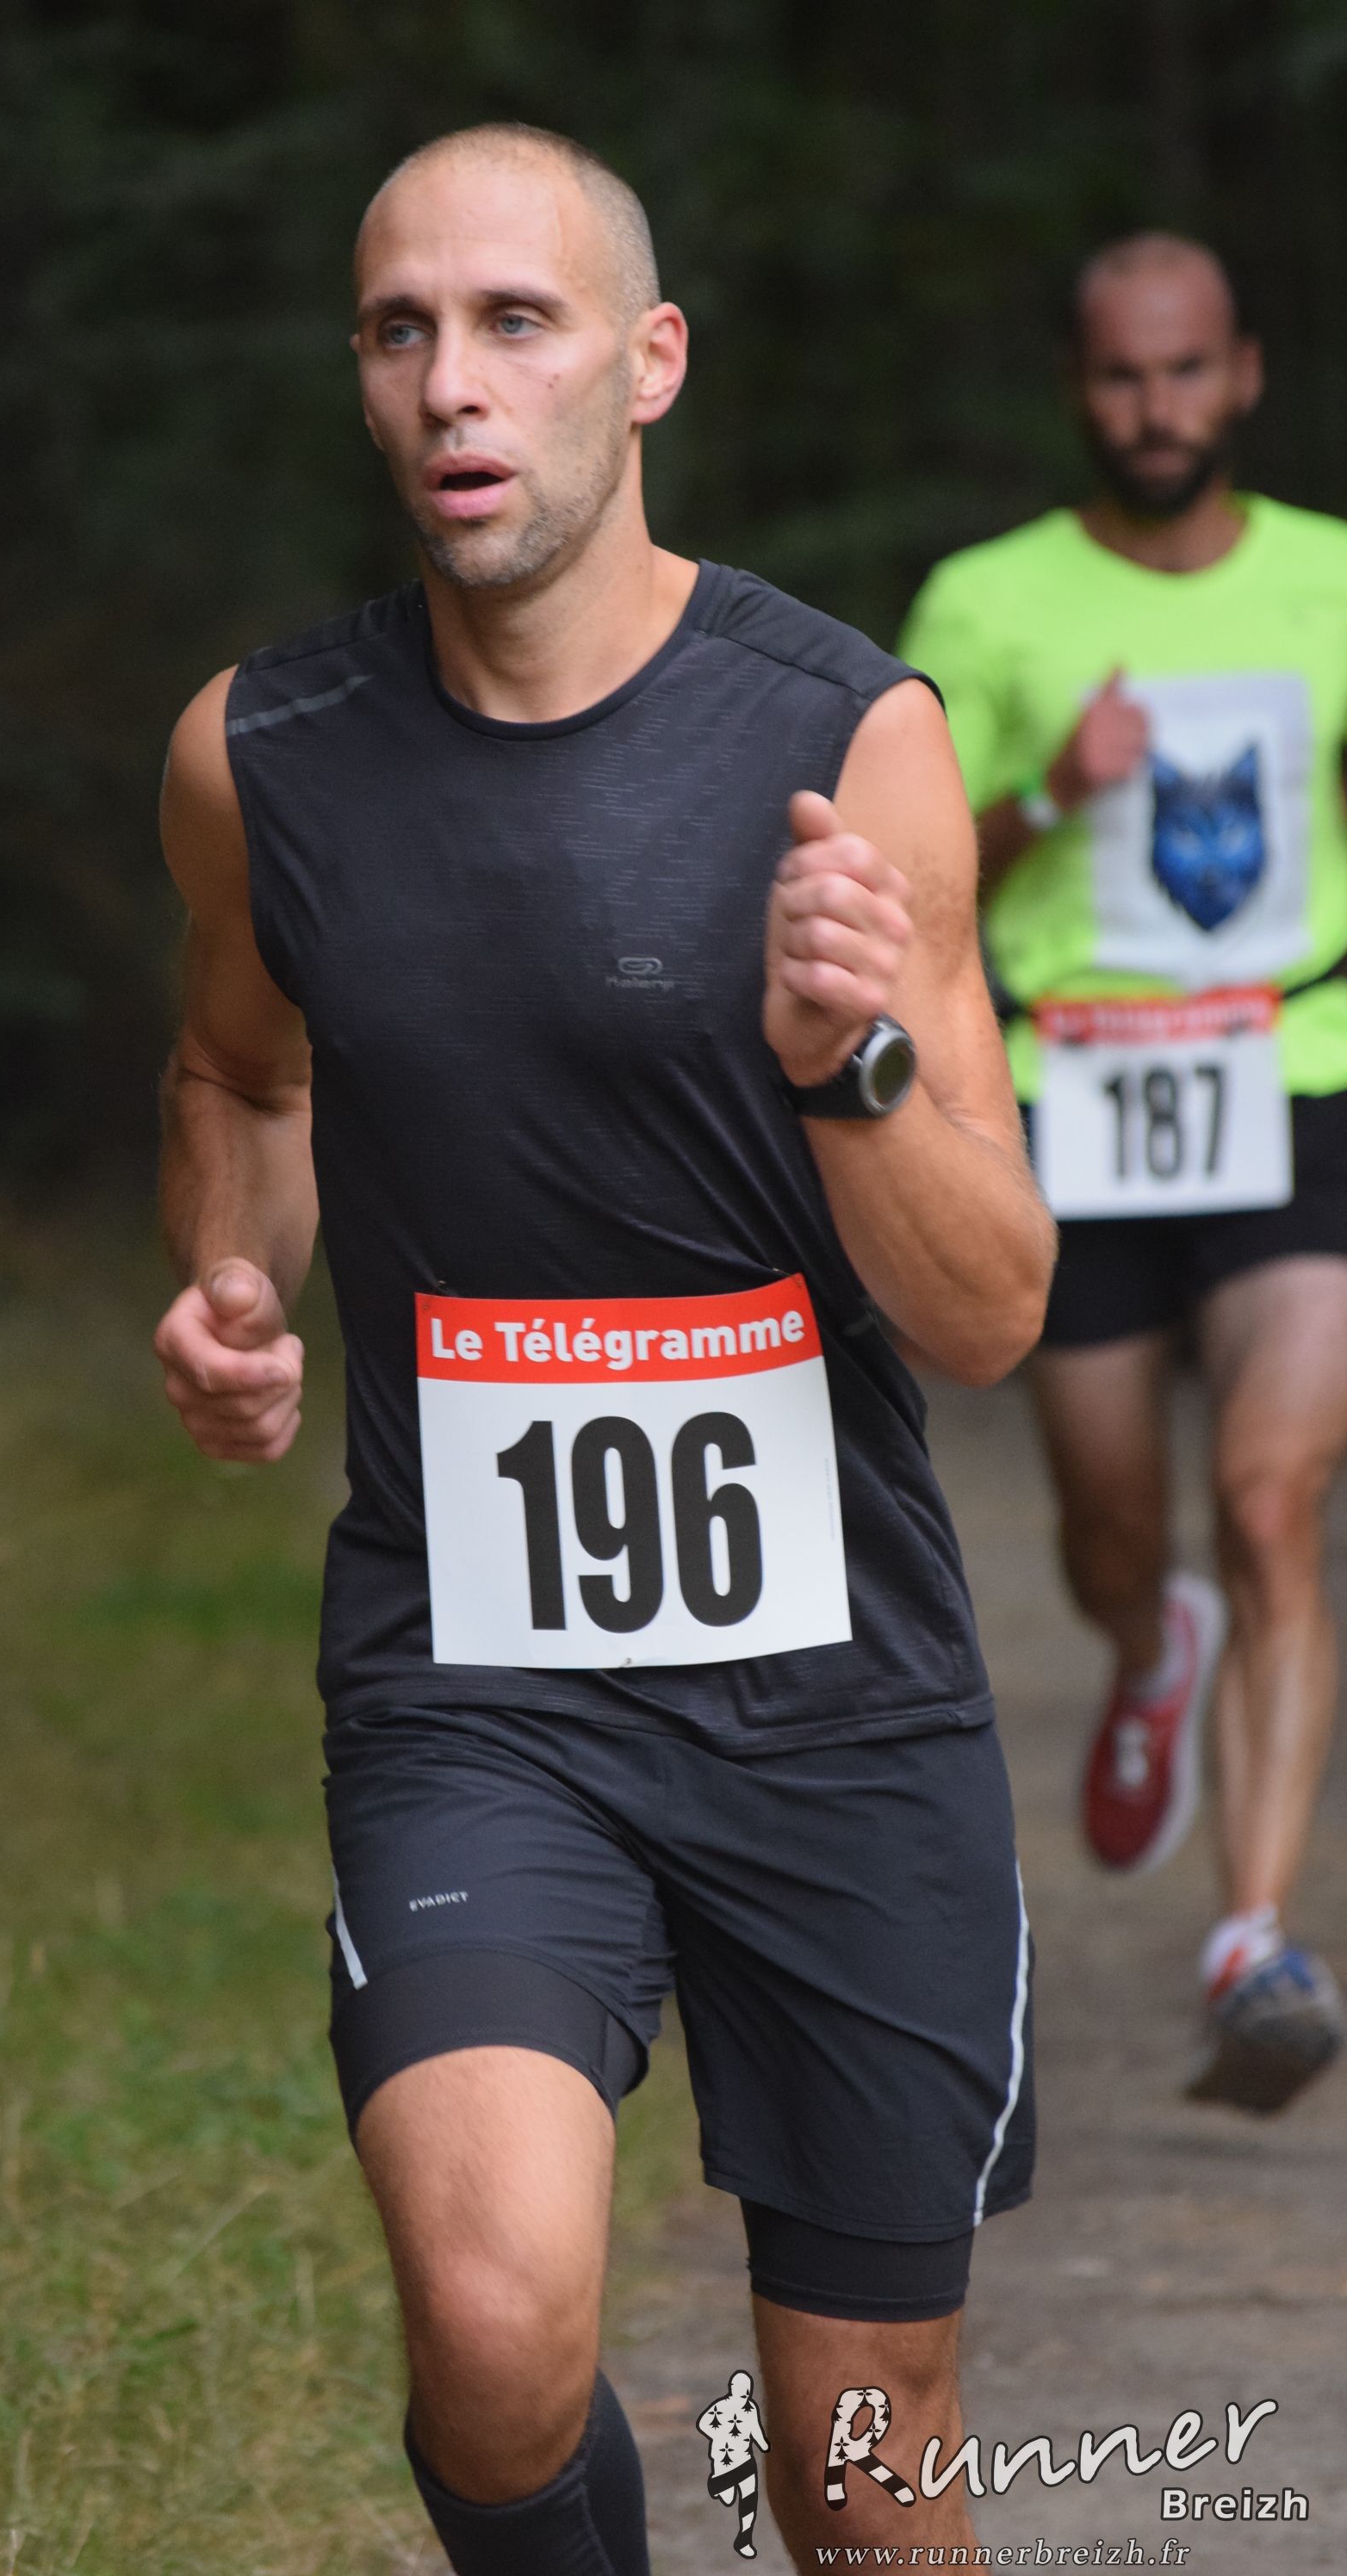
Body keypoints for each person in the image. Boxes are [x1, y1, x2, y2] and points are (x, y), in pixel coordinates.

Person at [155, 122, 1053, 2574]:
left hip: (836, 1700)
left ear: (647, 365)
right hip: (478, 1682)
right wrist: (233, 1280)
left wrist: (847, 1067)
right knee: (490, 2317)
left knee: (862, 2470)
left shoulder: (840, 737)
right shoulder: (264, 753)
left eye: (513, 323)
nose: (451, 382)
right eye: (399, 330)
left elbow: (988, 1308)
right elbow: (243, 1074)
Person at [901, 232, 1347, 2115]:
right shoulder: (987, 600)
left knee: (1271, 1500)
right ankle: (1144, 1635)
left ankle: (1252, 1939)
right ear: (1077, 391)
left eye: (1184, 370)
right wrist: (1051, 790)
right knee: (1116, 1531)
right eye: (1118, 376)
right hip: (1067, 1098)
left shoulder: (1332, 579)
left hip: (1296, 1075)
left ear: (1242, 374)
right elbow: (905, 874)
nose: (1154, 408)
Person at [697, 2371, 770, 2558]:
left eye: (747, 2390)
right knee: (727, 2497)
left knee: (749, 2498)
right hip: (725, 2459)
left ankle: (744, 2539)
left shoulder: (751, 2408)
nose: (745, 2394)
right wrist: (719, 2435)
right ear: (733, 2389)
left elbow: (756, 2429)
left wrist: (764, 2445)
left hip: (746, 2459)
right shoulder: (721, 2406)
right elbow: (704, 2424)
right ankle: (716, 2485)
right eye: (741, 2390)